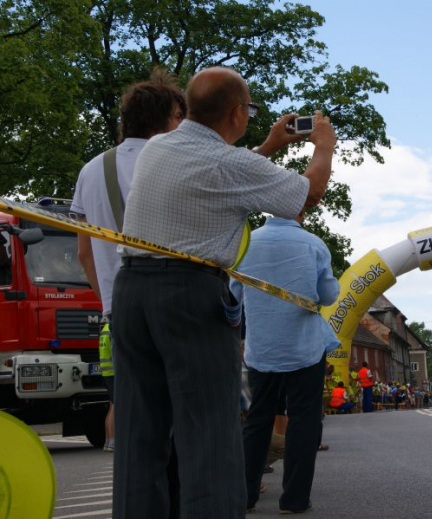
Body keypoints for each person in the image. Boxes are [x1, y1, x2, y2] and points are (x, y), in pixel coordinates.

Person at [111, 66, 336, 519]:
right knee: (209, 434)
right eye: (247, 109)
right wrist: (325, 146)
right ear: (236, 113)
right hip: (189, 294)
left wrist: (270, 144)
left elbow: (215, 167)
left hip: (132, 291)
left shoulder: (158, 148)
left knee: (141, 434)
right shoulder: (231, 165)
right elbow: (308, 194)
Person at [71, 70, 186, 454]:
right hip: (174, 304)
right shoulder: (175, 162)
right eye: (179, 117)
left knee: (138, 417)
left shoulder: (90, 170)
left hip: (118, 312)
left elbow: (84, 252)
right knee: (185, 414)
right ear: (168, 118)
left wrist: (108, 298)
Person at [233, 210, 340, 515]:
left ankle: (245, 495)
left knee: (257, 419)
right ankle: (294, 500)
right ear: (300, 211)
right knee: (303, 420)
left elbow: (233, 292)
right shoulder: (313, 244)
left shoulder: (246, 243)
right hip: (303, 348)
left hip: (261, 349)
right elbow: (329, 295)